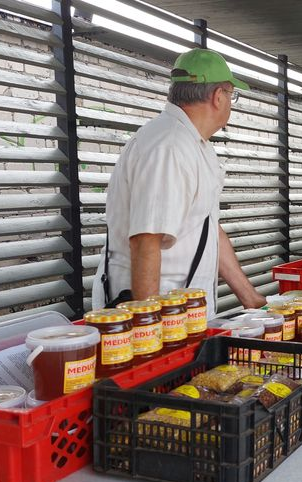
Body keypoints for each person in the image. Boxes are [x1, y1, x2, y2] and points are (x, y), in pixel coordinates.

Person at [95, 48, 265, 311]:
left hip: (182, 314)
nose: (231, 102)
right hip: (158, 314)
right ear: (218, 96)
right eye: (233, 95)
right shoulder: (169, 146)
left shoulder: (196, 145)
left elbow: (208, 227)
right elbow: (145, 240)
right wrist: (147, 330)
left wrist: (251, 299)